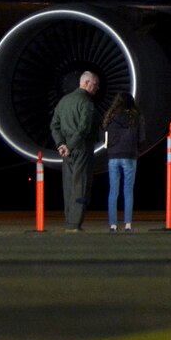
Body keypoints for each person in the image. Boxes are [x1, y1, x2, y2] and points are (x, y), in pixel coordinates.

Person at [49, 71, 101, 232]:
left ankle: (69, 219)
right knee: (81, 185)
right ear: (86, 83)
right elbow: (83, 128)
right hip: (81, 148)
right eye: (95, 84)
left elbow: (54, 125)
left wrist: (61, 145)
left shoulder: (64, 101)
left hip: (67, 151)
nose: (97, 88)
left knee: (69, 186)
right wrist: (70, 145)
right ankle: (74, 223)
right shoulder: (86, 103)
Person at [104, 91, 141, 232]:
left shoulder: (110, 117)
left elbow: (105, 136)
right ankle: (128, 224)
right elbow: (141, 138)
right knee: (128, 191)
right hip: (130, 156)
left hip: (113, 156)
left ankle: (113, 225)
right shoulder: (135, 117)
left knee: (113, 191)